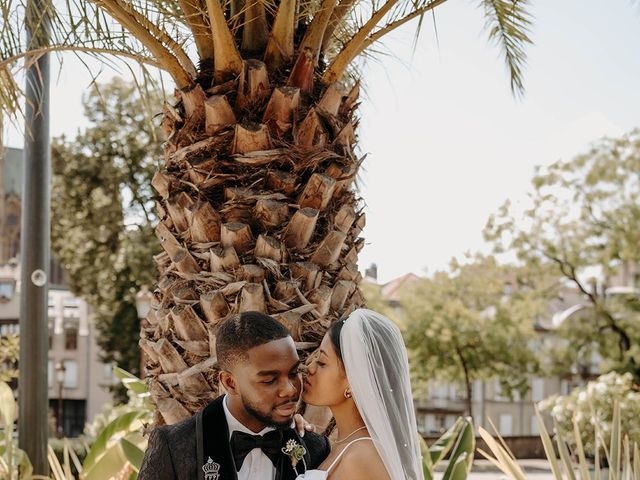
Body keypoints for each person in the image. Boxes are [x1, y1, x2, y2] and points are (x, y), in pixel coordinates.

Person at [138, 311, 330, 480]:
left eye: (293, 373)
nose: (290, 390)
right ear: (230, 383)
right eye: (269, 380)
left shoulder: (314, 448)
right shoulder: (174, 447)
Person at [299, 308, 424, 480]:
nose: (309, 368)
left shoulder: (362, 456)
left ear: (354, 381)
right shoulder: (343, 446)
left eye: (321, 362)